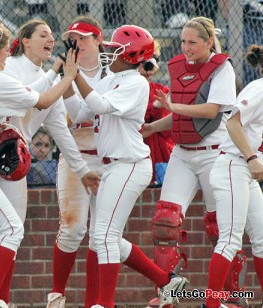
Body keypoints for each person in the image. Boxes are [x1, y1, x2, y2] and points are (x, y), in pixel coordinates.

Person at [0, 19, 101, 306]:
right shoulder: (6, 69)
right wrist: (62, 75)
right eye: (43, 34)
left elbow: (59, 125)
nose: (50, 39)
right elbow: (35, 98)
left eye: (52, 34)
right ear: (21, 41)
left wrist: (81, 169)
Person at [67, 24, 189, 308]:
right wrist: (65, 82)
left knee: (104, 236)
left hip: (130, 164)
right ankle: (165, 280)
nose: (109, 52)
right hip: (113, 166)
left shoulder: (136, 82)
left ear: (134, 55)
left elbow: (99, 106)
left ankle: (105, 303)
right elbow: (78, 112)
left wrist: (76, 78)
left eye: (116, 49)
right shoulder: (110, 78)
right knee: (104, 238)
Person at [141, 16, 246, 308]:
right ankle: (167, 291)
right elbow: (181, 115)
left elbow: (211, 111)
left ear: (208, 42)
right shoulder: (177, 67)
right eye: (183, 41)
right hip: (183, 152)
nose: (186, 48)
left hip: (215, 153)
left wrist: (172, 106)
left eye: (193, 42)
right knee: (165, 222)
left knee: (218, 228)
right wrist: (152, 127)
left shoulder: (221, 68)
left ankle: (229, 297)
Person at [46, 15, 106, 308]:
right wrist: (66, 77)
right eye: (74, 39)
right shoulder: (61, 75)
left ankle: (93, 302)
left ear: (98, 39)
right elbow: (72, 118)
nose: (78, 43)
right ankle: (57, 295)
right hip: (76, 157)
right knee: (72, 229)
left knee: (100, 235)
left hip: (108, 159)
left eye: (84, 38)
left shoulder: (113, 73)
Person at [202, 45, 263, 308]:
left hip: (245, 170)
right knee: (229, 239)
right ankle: (211, 304)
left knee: (262, 237)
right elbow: (232, 122)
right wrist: (251, 157)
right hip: (233, 165)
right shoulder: (260, 87)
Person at [138, 40, 174, 187]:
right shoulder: (122, 86)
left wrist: (158, 108)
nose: (150, 64)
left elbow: (166, 132)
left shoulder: (160, 90)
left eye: (155, 59)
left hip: (156, 149)